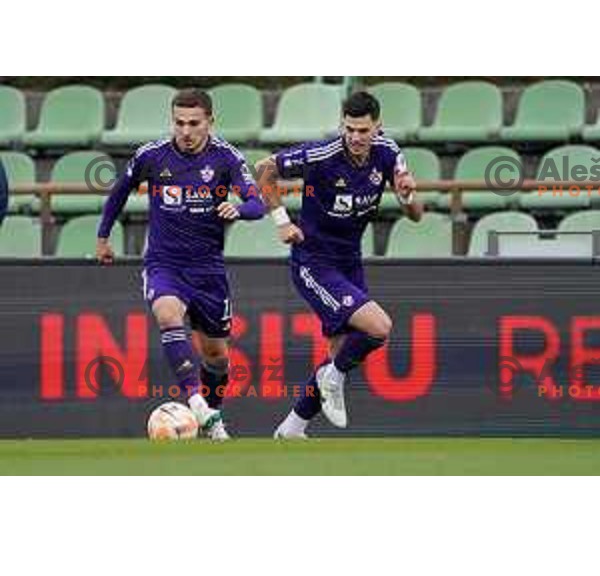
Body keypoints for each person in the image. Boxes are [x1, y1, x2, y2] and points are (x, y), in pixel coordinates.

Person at [96, 88, 265, 440]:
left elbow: (257, 202)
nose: (185, 131)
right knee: (167, 314)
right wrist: (102, 236)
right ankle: (196, 402)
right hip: (164, 263)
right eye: (178, 123)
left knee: (217, 356)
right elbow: (119, 192)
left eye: (194, 123)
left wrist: (240, 209)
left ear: (210, 122)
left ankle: (214, 416)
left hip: (208, 270)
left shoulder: (226, 158)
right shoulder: (152, 156)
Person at [256, 91, 423, 438]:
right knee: (379, 327)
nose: (356, 137)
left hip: (349, 260)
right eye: (350, 129)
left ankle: (291, 428)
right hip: (313, 261)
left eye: (364, 130)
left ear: (378, 127)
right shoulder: (323, 154)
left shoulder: (389, 153)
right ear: (342, 125)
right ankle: (332, 377)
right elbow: (264, 169)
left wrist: (407, 194)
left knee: (338, 355)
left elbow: (416, 216)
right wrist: (282, 221)